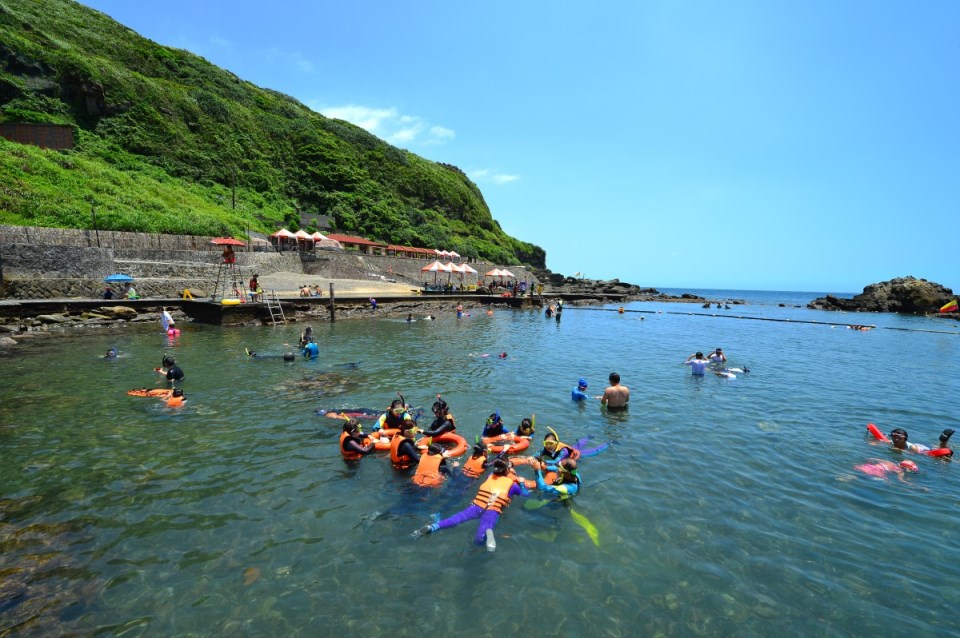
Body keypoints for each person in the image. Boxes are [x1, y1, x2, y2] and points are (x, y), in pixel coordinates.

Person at [411, 457, 530, 552]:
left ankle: (434, 527)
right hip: (492, 511)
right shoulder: (512, 485)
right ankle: (488, 534)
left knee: (455, 520)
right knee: (479, 538)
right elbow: (525, 495)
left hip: (476, 506)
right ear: (507, 470)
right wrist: (522, 483)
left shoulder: (490, 476)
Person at [889, 428, 954, 453]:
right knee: (937, 446)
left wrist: (898, 449)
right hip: (919, 444)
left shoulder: (912, 447)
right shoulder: (891, 442)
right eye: (894, 436)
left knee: (943, 456)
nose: (896, 438)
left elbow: (912, 454)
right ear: (891, 436)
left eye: (899, 437)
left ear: (905, 439)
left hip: (922, 449)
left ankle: (944, 439)